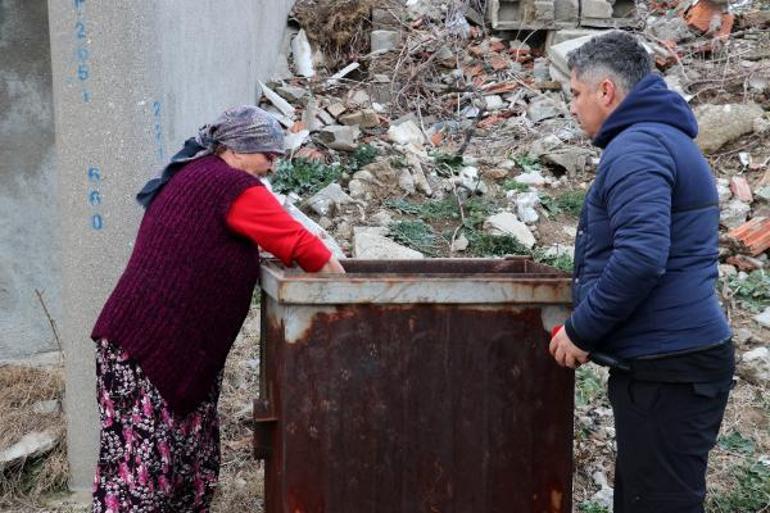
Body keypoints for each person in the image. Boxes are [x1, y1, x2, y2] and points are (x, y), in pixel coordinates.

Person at [90, 105, 345, 512]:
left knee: (172, 464)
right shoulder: (230, 186)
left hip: (156, 350)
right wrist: (351, 296)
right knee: (143, 470)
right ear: (238, 148)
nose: (272, 166)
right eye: (268, 155)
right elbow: (302, 246)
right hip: (151, 352)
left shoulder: (199, 173)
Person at [547, 31, 734, 512]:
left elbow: (640, 256)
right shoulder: (660, 140)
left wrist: (582, 330)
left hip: (669, 367)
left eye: (575, 93)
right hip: (668, 362)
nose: (572, 107)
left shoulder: (638, 149)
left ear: (605, 91)